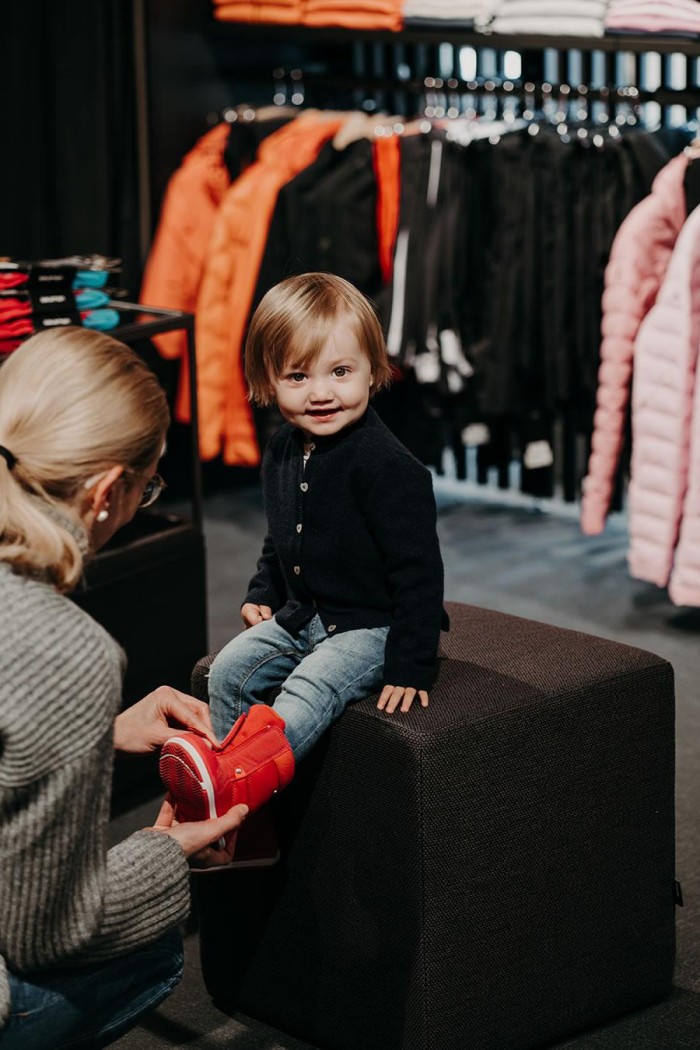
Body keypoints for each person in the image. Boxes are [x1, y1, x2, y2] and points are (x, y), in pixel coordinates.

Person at [0, 327, 248, 1050]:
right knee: (154, 950)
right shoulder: (63, 650)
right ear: (108, 492)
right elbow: (46, 932)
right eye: (149, 488)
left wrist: (97, 732)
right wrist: (164, 852)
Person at [159, 272, 448, 828]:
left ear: (374, 369)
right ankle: (234, 796)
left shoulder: (390, 469)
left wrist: (411, 665)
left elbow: (419, 574)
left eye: (340, 372)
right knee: (229, 672)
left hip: (371, 627)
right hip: (304, 616)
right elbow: (281, 534)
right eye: (298, 375)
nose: (321, 392)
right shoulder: (284, 450)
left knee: (305, 691)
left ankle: (235, 792)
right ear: (267, 380)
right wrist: (264, 589)